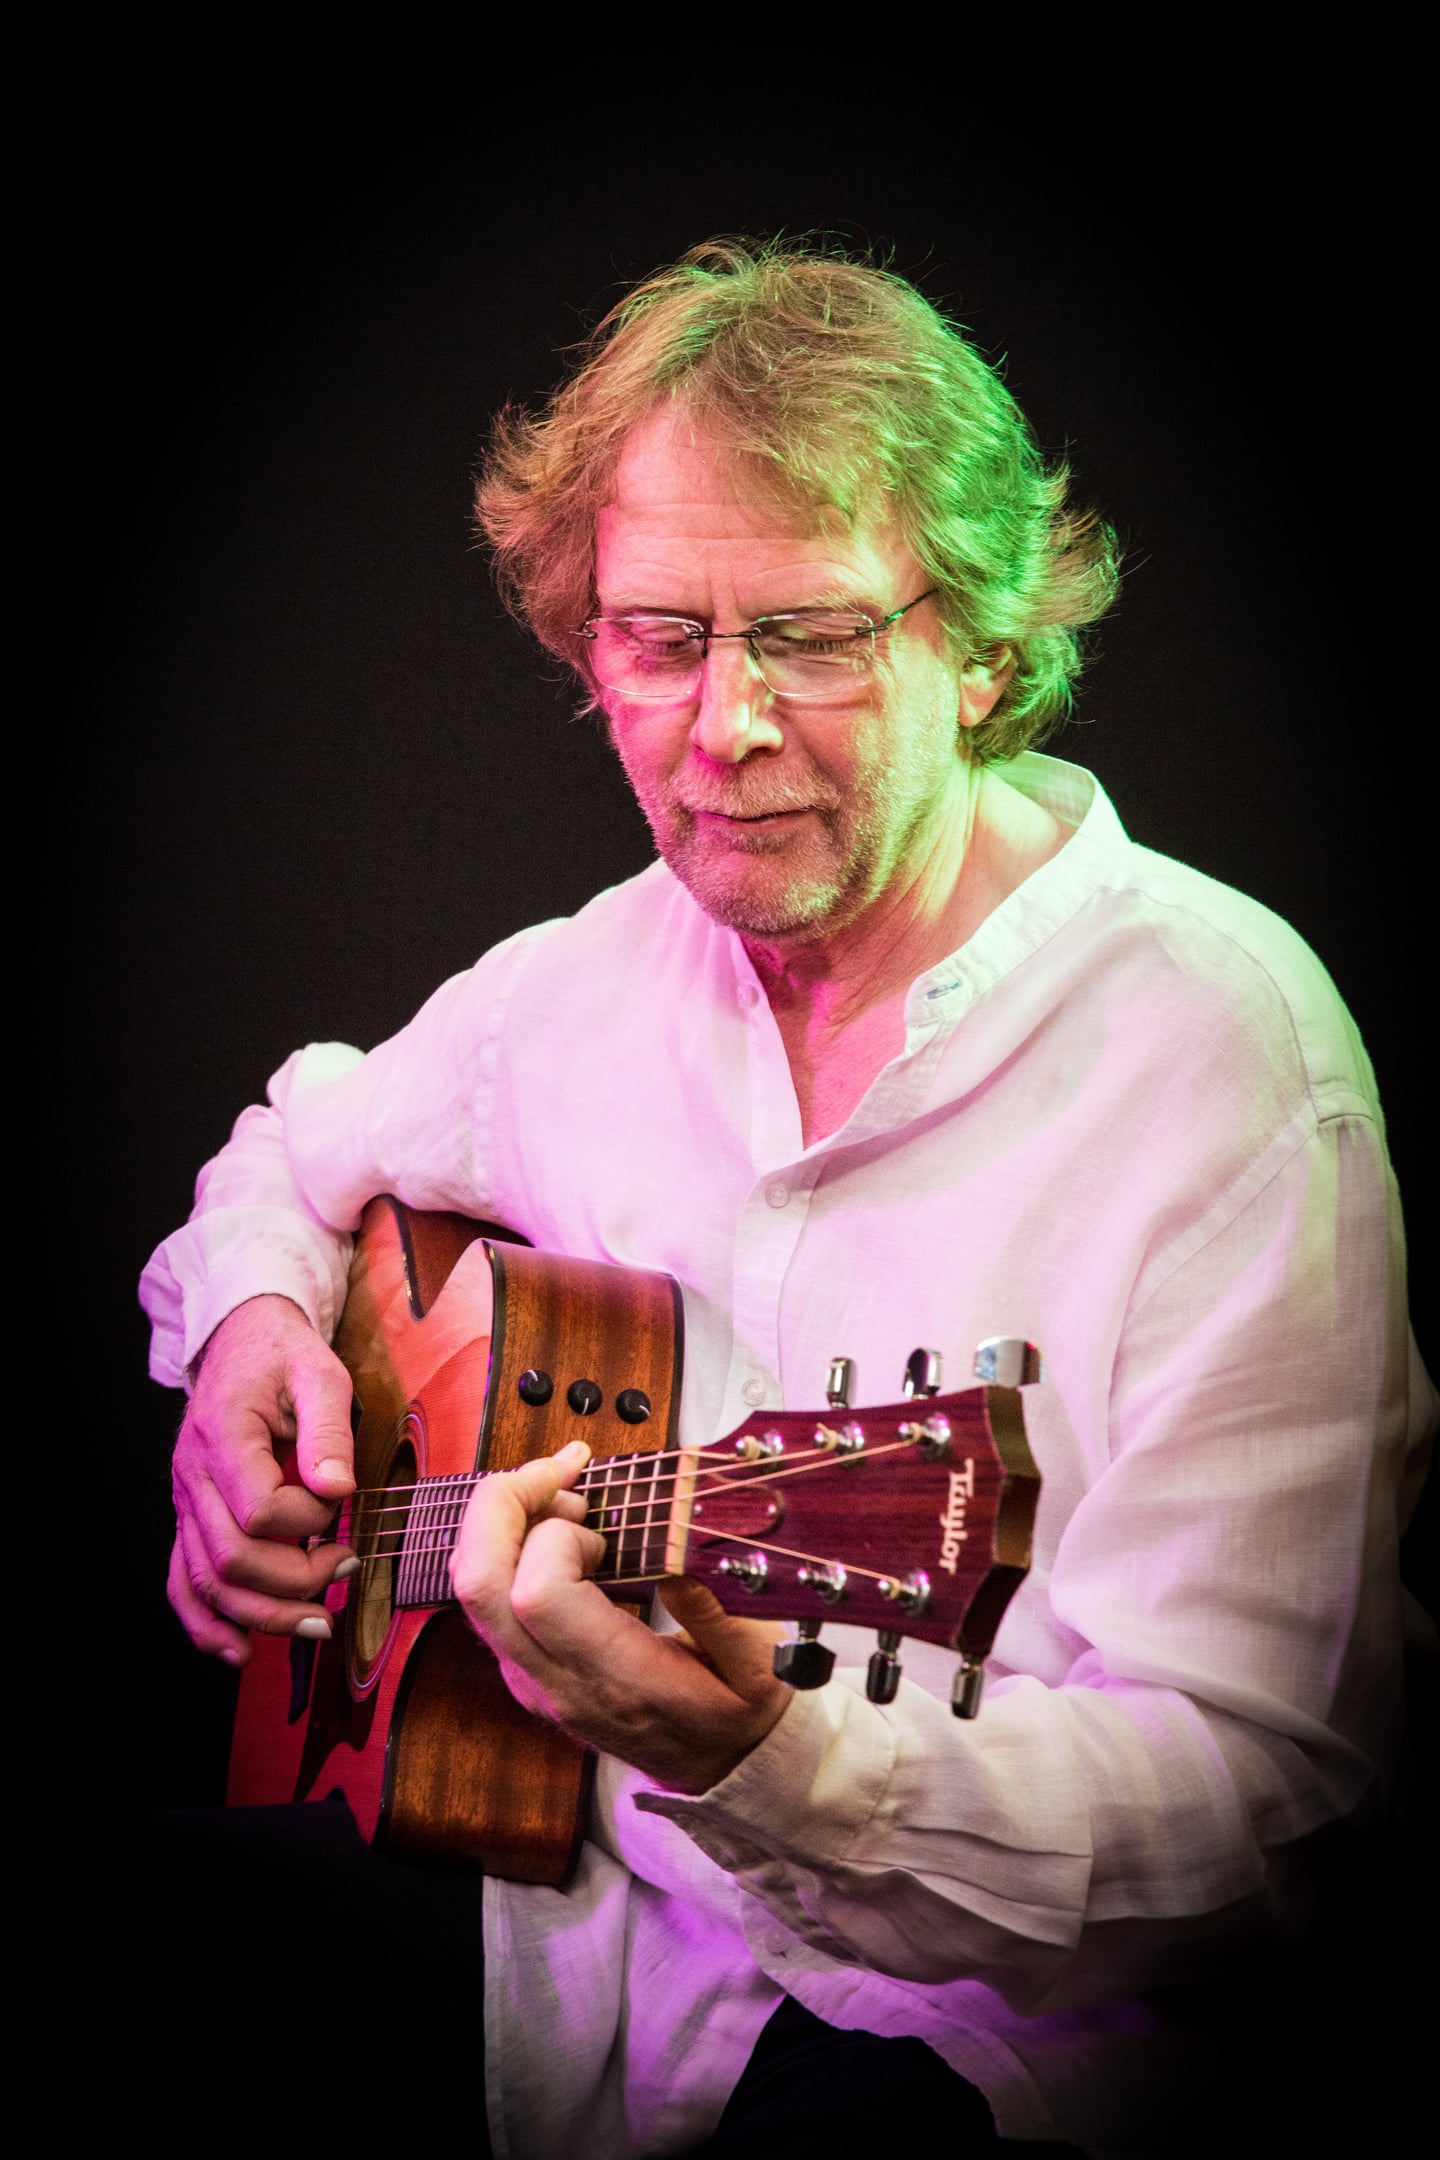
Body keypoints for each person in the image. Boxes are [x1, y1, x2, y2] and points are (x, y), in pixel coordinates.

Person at [139, 241, 1432, 2156]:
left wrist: (766, 1754)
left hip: (996, 2039)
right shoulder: (587, 983)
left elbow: (1265, 1811)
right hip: (570, 1936)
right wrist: (251, 1330)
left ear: (981, 648)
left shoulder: (1227, 1064)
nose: (723, 725)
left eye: (811, 637)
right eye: (660, 638)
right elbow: (285, 1150)